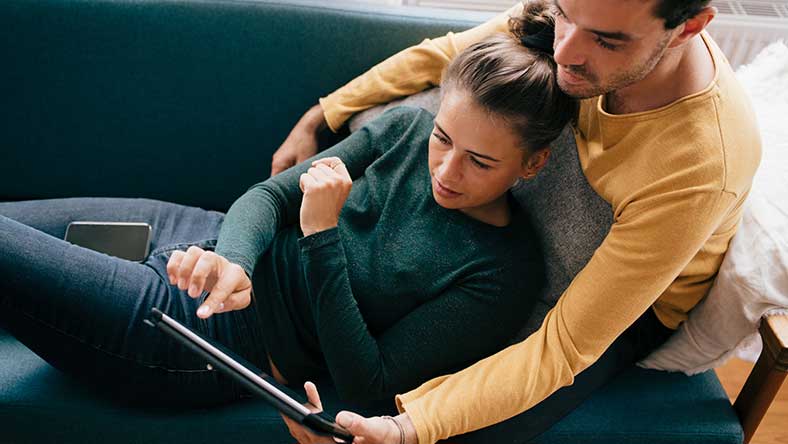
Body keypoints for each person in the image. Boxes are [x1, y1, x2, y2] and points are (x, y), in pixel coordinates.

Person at [0, 14, 576, 440]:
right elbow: (271, 196)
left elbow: (369, 388)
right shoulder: (403, 128)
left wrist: (321, 237)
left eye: (480, 161)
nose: (446, 172)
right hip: (194, 236)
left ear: (533, 163)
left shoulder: (502, 272)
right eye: (444, 138)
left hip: (205, 340)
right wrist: (233, 263)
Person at [271, 0, 762, 443]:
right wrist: (323, 114)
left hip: (632, 306)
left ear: (688, 28)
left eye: (606, 41)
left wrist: (407, 427)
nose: (564, 50)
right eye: (565, 15)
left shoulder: (700, 164)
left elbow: (564, 347)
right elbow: (446, 56)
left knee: (457, 425)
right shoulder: (577, 17)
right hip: (518, 221)